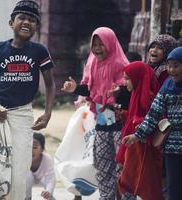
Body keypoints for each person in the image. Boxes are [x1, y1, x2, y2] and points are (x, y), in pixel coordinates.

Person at [0, 0, 55, 199]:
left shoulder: (39, 52)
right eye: (22, 18)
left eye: (32, 20)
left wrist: (47, 113)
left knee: (19, 167)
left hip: (23, 114)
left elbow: (51, 85)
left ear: (37, 26)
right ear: (12, 23)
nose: (27, 23)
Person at [62, 27, 129, 200]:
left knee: (123, 165)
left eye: (102, 44)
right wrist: (75, 88)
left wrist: (119, 91)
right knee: (102, 162)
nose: (98, 48)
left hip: (120, 122)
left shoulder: (120, 63)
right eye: (95, 44)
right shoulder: (92, 63)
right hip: (102, 120)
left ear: (110, 43)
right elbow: (88, 88)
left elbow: (130, 90)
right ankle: (106, 197)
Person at [122, 47, 182, 200]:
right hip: (173, 149)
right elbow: (153, 114)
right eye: (169, 65)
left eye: (176, 65)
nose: (172, 70)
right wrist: (137, 135)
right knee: (174, 189)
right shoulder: (167, 87)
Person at [116, 61, 163, 200]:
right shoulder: (136, 94)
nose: (125, 83)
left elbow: (155, 120)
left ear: (138, 78)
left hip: (143, 151)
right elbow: (132, 117)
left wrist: (138, 122)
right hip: (134, 148)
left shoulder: (148, 97)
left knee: (140, 185)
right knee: (129, 184)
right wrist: (123, 115)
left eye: (127, 78)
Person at [26, 132, 56, 200]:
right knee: (27, 176)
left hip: (43, 179)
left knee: (49, 188)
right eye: (29, 147)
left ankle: (49, 197)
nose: (31, 150)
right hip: (28, 180)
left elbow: (50, 179)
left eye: (34, 147)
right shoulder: (23, 159)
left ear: (42, 149)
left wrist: (48, 191)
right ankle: (27, 197)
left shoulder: (47, 159)